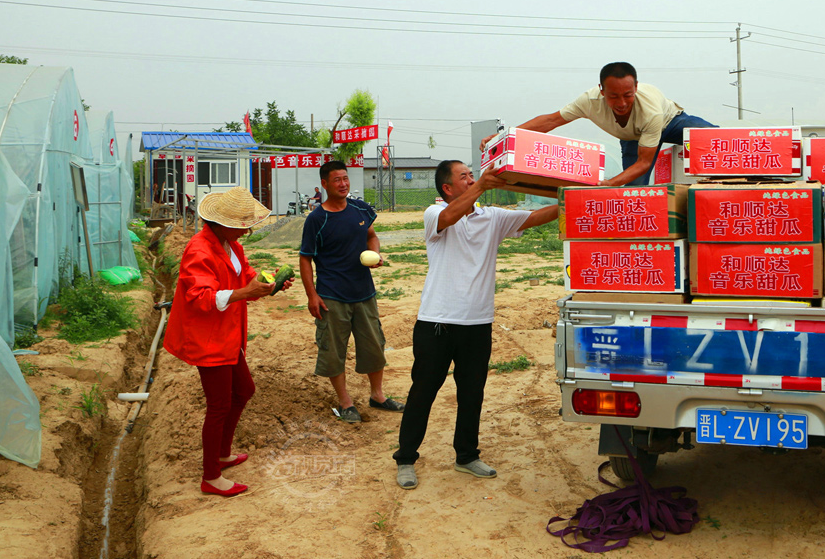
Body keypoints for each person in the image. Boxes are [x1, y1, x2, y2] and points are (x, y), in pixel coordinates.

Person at [392, 161, 558, 490]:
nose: (471, 179)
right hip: (436, 322)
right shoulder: (433, 214)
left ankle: (466, 455)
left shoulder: (491, 217)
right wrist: (482, 185)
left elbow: (536, 217)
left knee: (472, 394)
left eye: (472, 174)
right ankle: (406, 458)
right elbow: (449, 217)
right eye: (464, 177)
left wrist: (570, 199)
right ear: (447, 189)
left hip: (477, 323)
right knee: (423, 392)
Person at [163, 186, 292, 497]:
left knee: (244, 390)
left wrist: (269, 283)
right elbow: (200, 297)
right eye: (242, 225)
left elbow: (246, 276)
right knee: (218, 404)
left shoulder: (229, 245)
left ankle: (222, 454)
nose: (246, 231)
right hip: (209, 339)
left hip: (228, 334)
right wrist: (245, 293)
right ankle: (210, 476)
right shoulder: (199, 250)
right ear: (221, 223)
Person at [480, 62, 716, 186]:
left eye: (628, 95)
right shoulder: (589, 101)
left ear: (636, 87)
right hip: (633, 138)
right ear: (602, 91)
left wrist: (610, 182)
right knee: (632, 190)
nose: (622, 103)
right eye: (614, 96)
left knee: (714, 138)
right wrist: (502, 138)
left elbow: (645, 162)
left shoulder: (650, 109)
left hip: (669, 122)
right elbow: (551, 120)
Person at [299, 160, 403, 424]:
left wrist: (376, 253)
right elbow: (305, 259)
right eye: (337, 180)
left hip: (364, 292)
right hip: (332, 296)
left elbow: (371, 235)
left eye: (345, 178)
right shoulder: (316, 219)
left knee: (374, 346)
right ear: (324, 184)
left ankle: (377, 396)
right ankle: (346, 402)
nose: (343, 184)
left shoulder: (359, 208)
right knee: (334, 351)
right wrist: (312, 295)